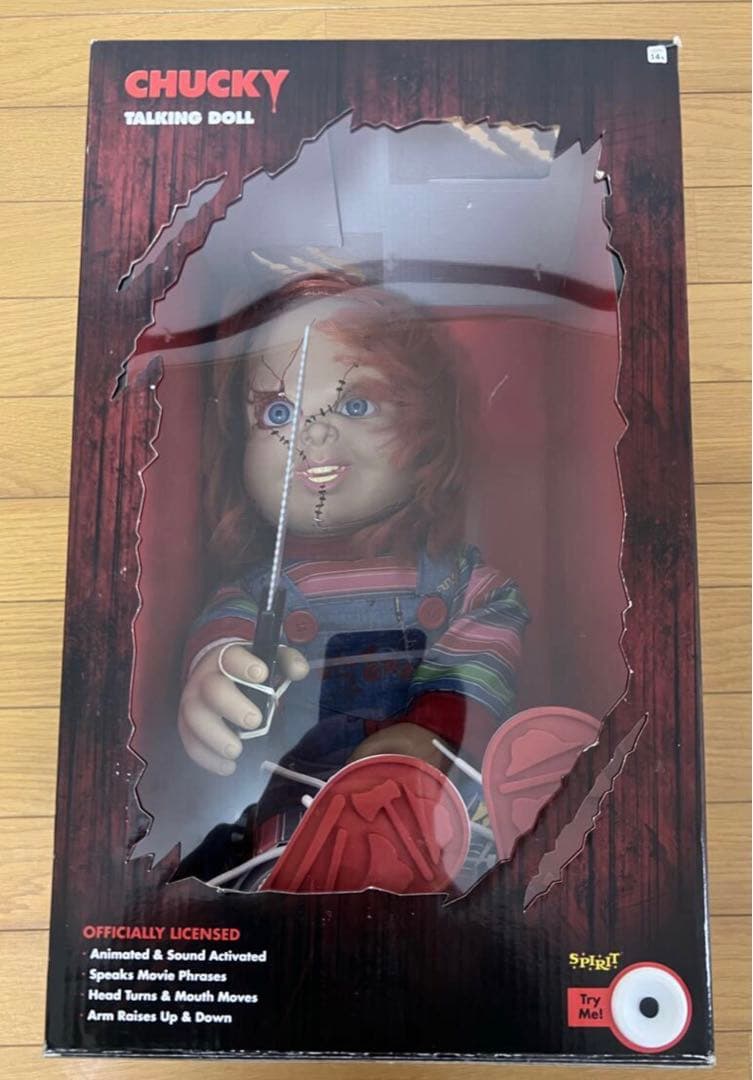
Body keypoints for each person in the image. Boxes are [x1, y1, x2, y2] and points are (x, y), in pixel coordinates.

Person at [176, 274, 529, 887]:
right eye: (278, 412)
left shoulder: (457, 578)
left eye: (357, 404)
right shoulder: (261, 589)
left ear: (429, 428)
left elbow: (493, 627)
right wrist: (217, 672)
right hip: (297, 818)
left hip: (431, 811)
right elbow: (227, 630)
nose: (313, 433)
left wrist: (430, 731)